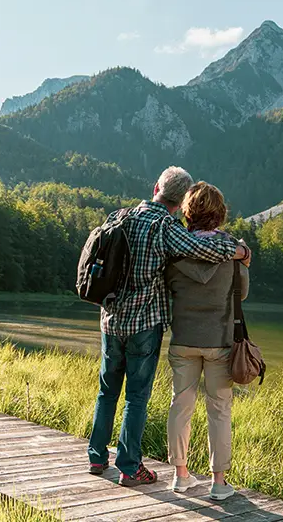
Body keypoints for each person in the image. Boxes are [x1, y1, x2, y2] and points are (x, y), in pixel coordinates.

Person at [87, 167, 252, 487]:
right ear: (179, 203)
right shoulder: (165, 227)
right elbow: (207, 249)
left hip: (109, 320)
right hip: (144, 325)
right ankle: (129, 467)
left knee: (107, 391)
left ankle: (96, 456)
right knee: (136, 397)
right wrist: (241, 251)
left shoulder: (118, 215)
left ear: (156, 188)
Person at [164, 181, 244, 501]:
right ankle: (219, 482)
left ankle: (181, 476)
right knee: (219, 410)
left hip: (183, 339)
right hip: (219, 341)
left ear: (188, 212)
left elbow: (169, 288)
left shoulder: (175, 251)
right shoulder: (232, 251)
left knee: (180, 407)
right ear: (220, 214)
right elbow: (243, 292)